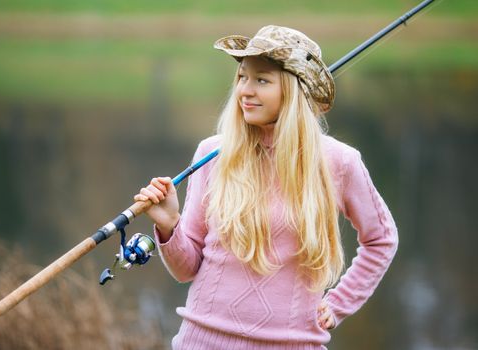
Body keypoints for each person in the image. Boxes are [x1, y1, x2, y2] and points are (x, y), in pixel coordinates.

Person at [134, 25, 398, 350]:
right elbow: (186, 269)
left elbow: (381, 240)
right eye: (242, 77)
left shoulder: (339, 162)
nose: (245, 90)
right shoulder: (211, 154)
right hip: (200, 342)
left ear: (294, 90)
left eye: (262, 80)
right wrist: (169, 224)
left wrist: (338, 303)